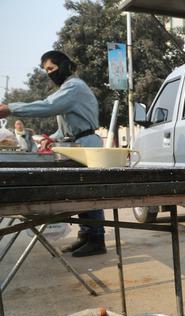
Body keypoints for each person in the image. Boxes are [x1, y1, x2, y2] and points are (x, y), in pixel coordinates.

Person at [0, 50, 106, 257]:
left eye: (51, 68)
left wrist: (11, 108)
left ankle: (97, 238)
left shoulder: (74, 87)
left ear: (65, 66)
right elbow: (68, 125)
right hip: (77, 144)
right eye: (46, 70)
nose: (49, 74)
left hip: (86, 144)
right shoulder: (69, 88)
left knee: (88, 192)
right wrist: (53, 137)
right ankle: (86, 235)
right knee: (81, 193)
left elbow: (50, 106)